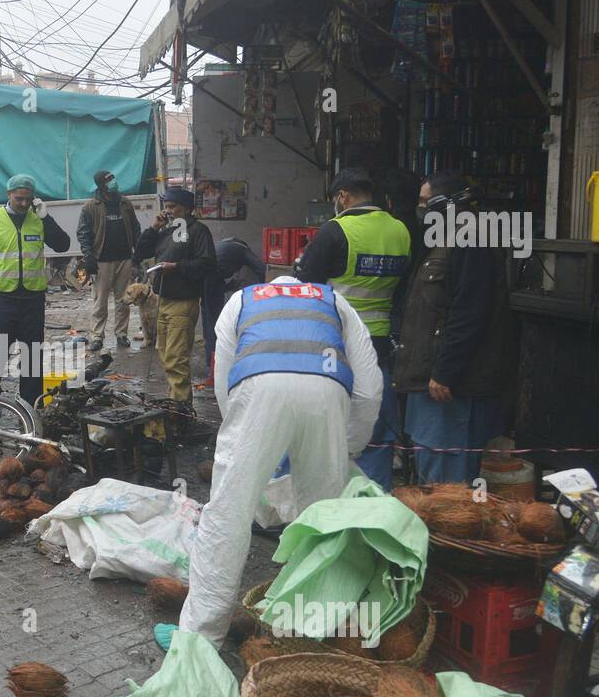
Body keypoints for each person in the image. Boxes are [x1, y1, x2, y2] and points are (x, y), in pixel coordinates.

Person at [175, 276, 382, 647]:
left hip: (257, 389)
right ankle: (308, 629)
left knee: (227, 514)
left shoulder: (240, 300)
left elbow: (224, 382)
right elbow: (369, 389)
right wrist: (348, 446)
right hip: (327, 390)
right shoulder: (336, 302)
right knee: (323, 517)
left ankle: (200, 638)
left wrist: (245, 437)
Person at [295, 168, 411, 490]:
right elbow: (404, 287)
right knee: (375, 417)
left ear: (343, 197)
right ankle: (373, 497)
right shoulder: (400, 230)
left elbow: (306, 286)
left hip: (338, 341)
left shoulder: (335, 230)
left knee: (325, 417)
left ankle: (322, 492)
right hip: (380, 341)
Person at [393, 171, 512, 484]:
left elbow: (471, 309)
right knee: (430, 474)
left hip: (452, 386)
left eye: (425, 202)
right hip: (428, 382)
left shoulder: (471, 238)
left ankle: (442, 534)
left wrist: (446, 370)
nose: (420, 209)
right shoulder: (440, 239)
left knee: (447, 485)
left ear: (446, 203)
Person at [0, 174, 71, 408]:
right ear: (8, 195)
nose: (23, 204)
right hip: (2, 298)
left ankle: (29, 401)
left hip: (32, 299)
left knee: (32, 353)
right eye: (18, 198)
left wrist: (47, 218)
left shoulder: (38, 219)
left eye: (27, 199)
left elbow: (63, 244)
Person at [132, 187, 216, 410]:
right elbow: (139, 253)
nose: (168, 211)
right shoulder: (167, 232)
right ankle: (175, 402)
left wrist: (177, 267)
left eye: (173, 207)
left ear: (187, 208)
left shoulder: (199, 231)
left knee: (177, 359)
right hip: (164, 300)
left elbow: (207, 263)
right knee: (165, 355)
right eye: (166, 207)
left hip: (184, 302)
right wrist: (154, 228)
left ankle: (181, 412)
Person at [77, 169, 142, 352]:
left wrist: (138, 253)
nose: (113, 182)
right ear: (100, 185)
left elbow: (135, 229)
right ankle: (97, 336)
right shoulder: (91, 206)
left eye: (113, 178)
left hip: (124, 258)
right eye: (108, 180)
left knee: (124, 300)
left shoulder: (125, 203)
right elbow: (83, 233)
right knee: (100, 301)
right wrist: (89, 256)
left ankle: (121, 334)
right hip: (101, 261)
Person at [200, 236, 264, 380]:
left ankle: (209, 361)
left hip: (203, 277)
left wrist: (229, 286)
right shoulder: (242, 250)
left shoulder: (222, 245)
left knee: (207, 317)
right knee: (214, 322)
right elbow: (261, 268)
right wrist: (264, 289)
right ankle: (214, 364)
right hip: (211, 276)